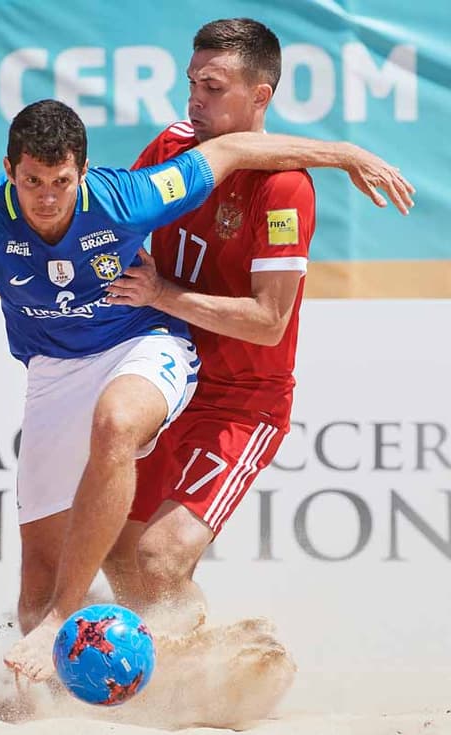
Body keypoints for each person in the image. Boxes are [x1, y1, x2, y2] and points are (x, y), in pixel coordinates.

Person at [0, 98, 413, 683]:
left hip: (142, 343)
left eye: (60, 181)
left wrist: (347, 154)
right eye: (32, 181)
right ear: (9, 170)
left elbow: (232, 149)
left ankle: (70, 614)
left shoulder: (124, 196)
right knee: (35, 595)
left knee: (115, 426)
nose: (47, 198)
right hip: (53, 371)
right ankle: (139, 675)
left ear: (82, 171)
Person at [102, 18, 416, 632]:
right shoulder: (171, 148)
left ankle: (209, 677)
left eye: (214, 87)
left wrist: (162, 293)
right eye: (192, 81)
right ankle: (166, 679)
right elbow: (123, 231)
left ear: (260, 96)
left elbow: (269, 323)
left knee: (160, 558)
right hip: (164, 381)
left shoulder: (283, 189)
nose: (195, 97)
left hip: (238, 402)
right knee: (115, 549)